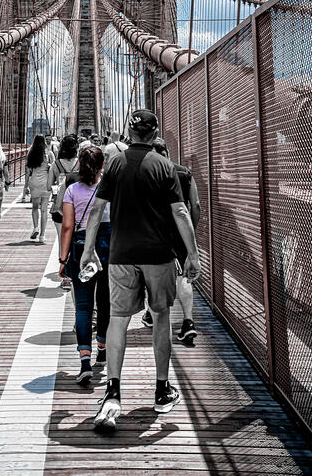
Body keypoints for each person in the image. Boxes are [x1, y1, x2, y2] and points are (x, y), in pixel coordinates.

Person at [80, 109, 200, 432]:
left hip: (120, 256)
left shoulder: (115, 164)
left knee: (118, 319)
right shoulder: (164, 166)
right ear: (154, 133)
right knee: (161, 317)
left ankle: (112, 392)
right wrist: (192, 254)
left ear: (129, 132)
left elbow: (96, 210)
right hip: (158, 256)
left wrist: (88, 250)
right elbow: (181, 213)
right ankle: (161, 390)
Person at [59, 146, 111, 387]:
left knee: (82, 306)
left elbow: (67, 227)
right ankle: (102, 345)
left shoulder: (72, 190)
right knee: (105, 300)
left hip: (81, 246)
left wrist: (63, 259)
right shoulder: (110, 188)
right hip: (108, 245)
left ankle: (84, 362)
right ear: (102, 165)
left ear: (80, 164)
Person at [141, 138, 201, 342]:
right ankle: (188, 321)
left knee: (152, 275)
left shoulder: (148, 172)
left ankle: (151, 313)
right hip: (181, 230)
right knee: (183, 276)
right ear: (167, 151)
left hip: (156, 231)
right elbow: (196, 205)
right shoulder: (185, 172)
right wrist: (191, 232)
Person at [48, 134, 80, 288]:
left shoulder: (56, 164)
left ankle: (66, 276)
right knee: (78, 239)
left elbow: (49, 186)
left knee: (63, 241)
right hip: (78, 207)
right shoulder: (80, 163)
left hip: (59, 208)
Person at [22, 134, 55, 243]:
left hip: (34, 183)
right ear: (45, 142)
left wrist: (25, 187)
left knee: (35, 207)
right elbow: (54, 169)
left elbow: (27, 172)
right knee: (44, 210)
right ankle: (42, 235)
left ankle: (36, 227)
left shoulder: (30, 155)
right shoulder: (49, 154)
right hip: (46, 183)